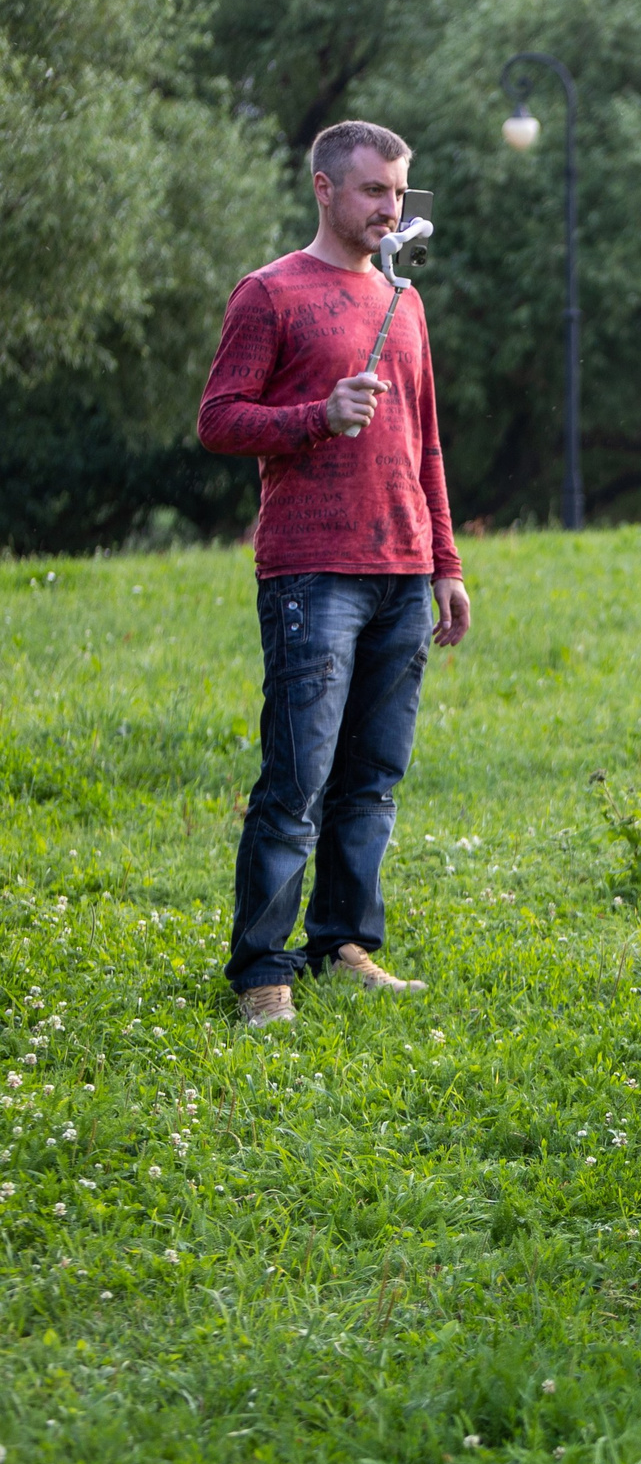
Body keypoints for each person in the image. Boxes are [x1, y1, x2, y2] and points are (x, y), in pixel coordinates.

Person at [200, 119, 471, 1029]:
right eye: (372, 192)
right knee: (297, 781)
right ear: (324, 188)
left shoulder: (407, 300)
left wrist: (445, 562)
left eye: (399, 193)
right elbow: (220, 420)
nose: (390, 209)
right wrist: (318, 414)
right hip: (312, 573)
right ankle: (260, 973)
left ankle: (342, 943)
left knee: (372, 777)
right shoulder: (269, 293)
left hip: (401, 570)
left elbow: (426, 440)